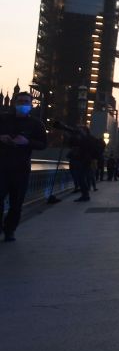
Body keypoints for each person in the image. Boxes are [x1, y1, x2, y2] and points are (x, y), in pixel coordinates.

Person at [0, 92, 48, 242]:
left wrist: (27, 142)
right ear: (14, 102)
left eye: (26, 102)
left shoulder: (36, 124)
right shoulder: (3, 119)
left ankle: (10, 230)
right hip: (2, 167)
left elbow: (43, 144)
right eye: (20, 101)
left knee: (16, 204)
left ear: (31, 104)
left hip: (21, 169)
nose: (23, 104)